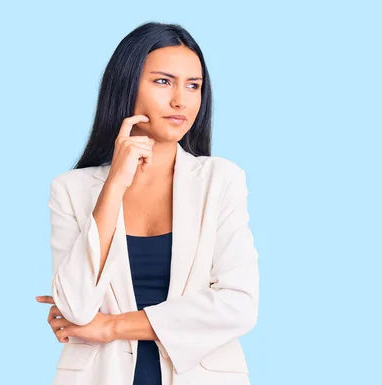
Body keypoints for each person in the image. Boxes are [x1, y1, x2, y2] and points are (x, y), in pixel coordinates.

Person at [35, 21, 259, 385]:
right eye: (162, 81)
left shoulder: (221, 179)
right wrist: (114, 185)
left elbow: (238, 305)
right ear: (126, 86)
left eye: (193, 86)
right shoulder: (71, 189)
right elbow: (75, 307)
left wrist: (112, 327)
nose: (180, 100)